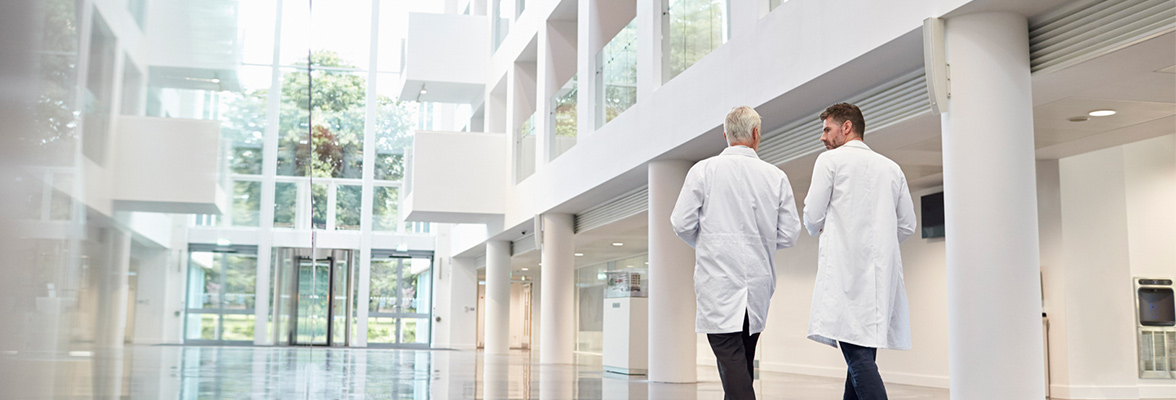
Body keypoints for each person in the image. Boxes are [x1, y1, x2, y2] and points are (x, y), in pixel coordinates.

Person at [671, 106, 801, 400]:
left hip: (718, 285)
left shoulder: (703, 171)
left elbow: (681, 223)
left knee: (734, 368)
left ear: (726, 135)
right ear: (756, 134)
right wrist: (760, 243)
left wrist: (708, 244)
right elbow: (790, 233)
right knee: (739, 367)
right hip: (756, 287)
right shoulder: (775, 176)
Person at [803, 103, 916, 400]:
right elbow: (907, 225)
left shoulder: (830, 162)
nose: (822, 137)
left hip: (844, 276)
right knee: (861, 358)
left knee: (859, 360)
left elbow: (812, 219)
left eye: (827, 129)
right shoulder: (892, 168)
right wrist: (880, 246)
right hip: (879, 281)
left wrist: (829, 228)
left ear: (847, 127)